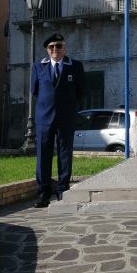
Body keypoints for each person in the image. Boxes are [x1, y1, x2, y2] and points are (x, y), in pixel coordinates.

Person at [31, 33, 85, 208]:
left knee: (64, 155)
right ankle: (43, 194)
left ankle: (63, 190)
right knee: (43, 157)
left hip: (65, 119)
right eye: (51, 47)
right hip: (44, 119)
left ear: (64, 48)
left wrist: (66, 108)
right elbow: (35, 91)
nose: (55, 49)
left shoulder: (75, 66)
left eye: (59, 46)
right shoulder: (38, 67)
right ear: (47, 50)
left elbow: (81, 91)